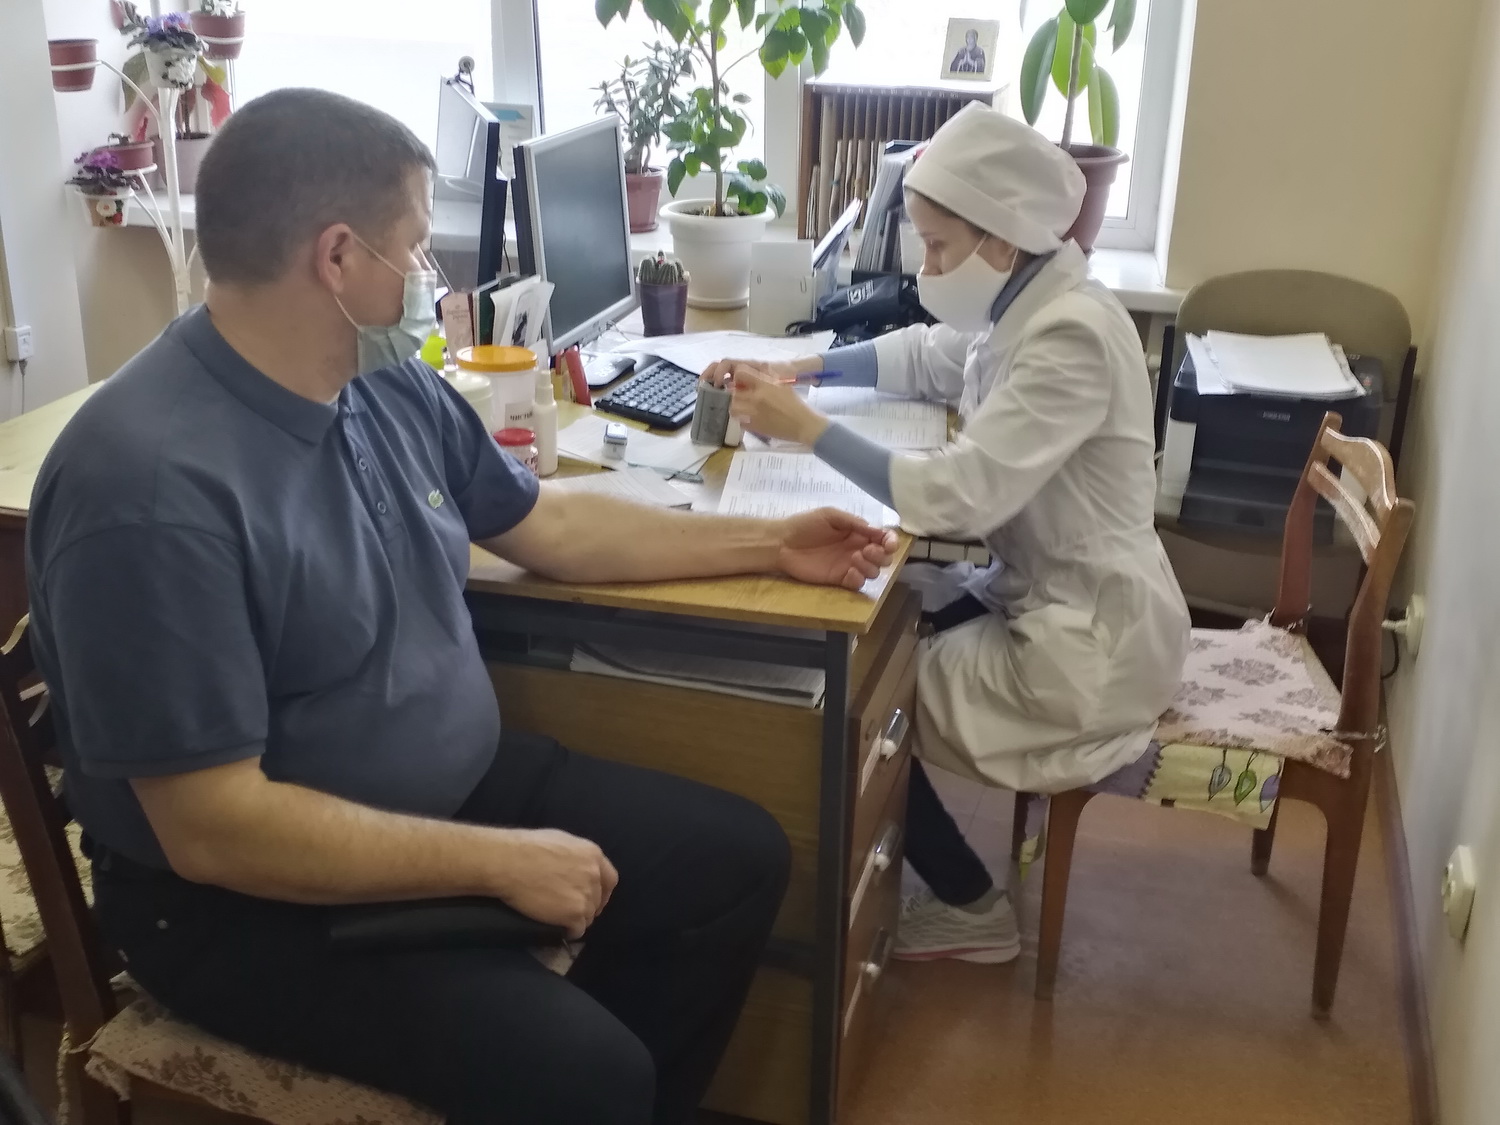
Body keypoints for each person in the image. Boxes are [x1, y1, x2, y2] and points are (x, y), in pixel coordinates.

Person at [27, 89, 898, 1125]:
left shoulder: (380, 380)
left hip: (446, 791)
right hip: (242, 899)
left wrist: (768, 543)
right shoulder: (146, 489)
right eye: (413, 248)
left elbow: (547, 525)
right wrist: (500, 861)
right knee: (586, 1075)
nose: (428, 277)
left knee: (736, 863)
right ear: (336, 257)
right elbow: (215, 829)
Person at [703, 103, 1190, 966]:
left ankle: (971, 906)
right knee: (893, 620)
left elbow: (953, 499)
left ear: (1001, 238)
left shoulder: (1071, 335)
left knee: (858, 698)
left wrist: (806, 427)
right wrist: (803, 367)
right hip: (1043, 595)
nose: (926, 267)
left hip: (1091, 646)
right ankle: (901, 864)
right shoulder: (1033, 301)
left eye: (937, 247)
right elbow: (935, 355)